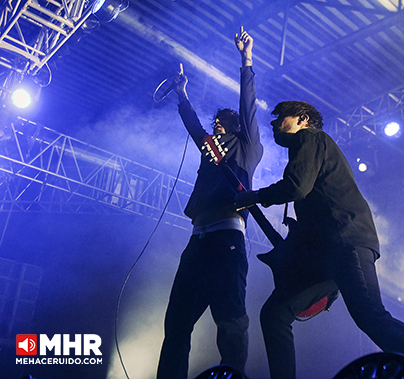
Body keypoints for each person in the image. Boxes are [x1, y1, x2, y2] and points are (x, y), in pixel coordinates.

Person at [234, 101, 404, 379]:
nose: (273, 123)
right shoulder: (308, 148)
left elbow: (296, 187)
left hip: (345, 242)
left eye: (279, 117)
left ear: (303, 119)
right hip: (327, 252)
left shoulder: (309, 137)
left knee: (373, 317)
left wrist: (254, 196)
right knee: (275, 313)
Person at [156, 27, 263, 379]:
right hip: (198, 240)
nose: (217, 124)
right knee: (177, 324)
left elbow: (247, 103)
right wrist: (182, 93)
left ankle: (233, 376)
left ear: (236, 127)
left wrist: (245, 59)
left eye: (224, 121)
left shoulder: (246, 147)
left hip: (226, 239)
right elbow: (193, 126)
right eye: (216, 121)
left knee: (230, 320)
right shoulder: (212, 149)